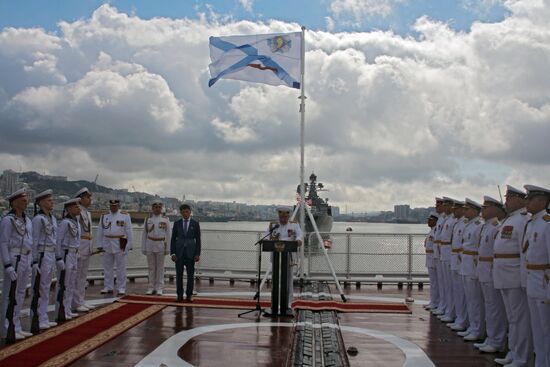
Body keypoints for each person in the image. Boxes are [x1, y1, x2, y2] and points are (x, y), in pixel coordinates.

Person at [493, 185, 532, 367]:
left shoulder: (524, 220)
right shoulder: (511, 220)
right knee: (512, 318)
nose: (505, 202)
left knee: (520, 319)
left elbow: (525, 253)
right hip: (504, 274)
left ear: (518, 200)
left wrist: (525, 279)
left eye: (509, 198)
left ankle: (521, 357)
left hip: (515, 275)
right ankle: (513, 351)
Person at [474, 196, 507, 354]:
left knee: (495, 307)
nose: (483, 210)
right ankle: (491, 337)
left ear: (495, 209)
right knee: (489, 305)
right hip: (483, 268)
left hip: (492, 269)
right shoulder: (486, 227)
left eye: (486, 207)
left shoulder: (495, 227)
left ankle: (497, 340)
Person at [0, 188, 34, 340]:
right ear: (14, 202)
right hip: (14, 258)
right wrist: (7, 265)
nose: (25, 201)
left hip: (26, 258)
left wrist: (32, 261)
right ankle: (6, 328)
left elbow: (30, 242)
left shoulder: (27, 220)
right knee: (9, 294)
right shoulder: (8, 220)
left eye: (26, 199)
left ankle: (16, 326)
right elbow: (3, 242)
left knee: (20, 294)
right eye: (22, 199)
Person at [523, 184, 550, 367]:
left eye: (530, 199)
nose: (527, 202)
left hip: (543, 281)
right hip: (532, 279)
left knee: (547, 330)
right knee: (537, 329)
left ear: (542, 201)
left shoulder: (547, 224)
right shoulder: (532, 223)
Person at [457, 198, 485, 342]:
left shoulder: (478, 225)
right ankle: (473, 327)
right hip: (466, 264)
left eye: (467, 209)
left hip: (473, 265)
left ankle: (477, 330)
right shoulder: (469, 225)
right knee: (470, 299)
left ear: (474, 210)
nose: (464, 211)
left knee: (475, 300)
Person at [31, 189, 59, 330]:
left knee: (47, 287)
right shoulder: (38, 219)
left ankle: (44, 317)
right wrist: (34, 261)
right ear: (41, 202)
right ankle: (37, 318)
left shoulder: (52, 218)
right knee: (40, 288)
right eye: (49, 200)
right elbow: (34, 241)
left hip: (50, 254)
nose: (52, 202)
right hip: (42, 255)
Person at [266, 206, 303, 312]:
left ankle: (288, 303)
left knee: (289, 279)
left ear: (288, 216)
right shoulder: (274, 225)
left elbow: (300, 235)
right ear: (278, 216)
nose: (282, 219)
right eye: (281, 217)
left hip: (289, 256)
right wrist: (268, 240)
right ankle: (274, 302)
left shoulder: (294, 225)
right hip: (276, 255)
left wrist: (298, 240)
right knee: (275, 278)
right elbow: (266, 235)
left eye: (285, 217)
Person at [97, 199, 133, 295]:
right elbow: (100, 231)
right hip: (107, 242)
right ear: (109, 206)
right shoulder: (104, 216)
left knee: (121, 267)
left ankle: (121, 287)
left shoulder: (125, 215)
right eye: (112, 206)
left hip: (120, 243)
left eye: (115, 205)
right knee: (107, 267)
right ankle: (108, 286)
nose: (113, 207)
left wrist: (129, 245)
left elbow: (129, 231)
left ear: (118, 205)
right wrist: (99, 245)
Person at [56, 198, 81, 320]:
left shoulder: (75, 222)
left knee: (71, 283)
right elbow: (59, 240)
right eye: (76, 207)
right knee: (64, 284)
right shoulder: (65, 223)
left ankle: (67, 309)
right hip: (66, 254)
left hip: (74, 254)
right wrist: (59, 257)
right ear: (69, 209)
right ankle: (61, 310)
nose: (79, 209)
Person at [170, 204, 201, 302]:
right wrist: (173, 253)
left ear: (190, 212)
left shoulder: (195, 224)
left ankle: (189, 295)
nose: (185, 214)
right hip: (179, 253)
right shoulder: (177, 223)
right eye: (183, 212)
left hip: (190, 253)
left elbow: (198, 240)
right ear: (181, 213)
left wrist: (197, 254)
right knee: (179, 275)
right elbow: (173, 239)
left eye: (187, 211)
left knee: (190, 275)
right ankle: (179, 295)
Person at [447, 200, 469, 332]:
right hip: (455, 257)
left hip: (463, 260)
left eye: (457, 209)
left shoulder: (466, 224)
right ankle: (458, 317)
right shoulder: (458, 223)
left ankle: (463, 321)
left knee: (463, 293)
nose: (454, 211)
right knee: (454, 289)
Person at [142, 200, 171, 295]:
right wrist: (143, 247)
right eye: (155, 207)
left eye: (159, 207)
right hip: (150, 244)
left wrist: (168, 248)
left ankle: (159, 287)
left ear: (161, 208)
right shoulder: (148, 219)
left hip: (161, 245)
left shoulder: (165, 219)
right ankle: (151, 287)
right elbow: (144, 234)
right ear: (152, 208)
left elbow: (168, 234)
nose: (157, 209)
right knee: (151, 267)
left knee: (160, 268)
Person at [72, 187, 95, 312]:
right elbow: (75, 232)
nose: (90, 199)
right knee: (77, 276)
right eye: (88, 197)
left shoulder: (87, 213)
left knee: (83, 276)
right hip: (80, 247)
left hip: (87, 247)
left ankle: (81, 300)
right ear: (81, 199)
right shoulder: (77, 212)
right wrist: (77, 249)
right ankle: (76, 302)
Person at [437, 197, 458, 323]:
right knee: (444, 284)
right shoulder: (445, 219)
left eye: (445, 205)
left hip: (451, 254)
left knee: (452, 287)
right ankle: (445, 308)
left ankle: (452, 313)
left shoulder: (454, 221)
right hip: (443, 253)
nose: (442, 207)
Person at [424, 212, 439, 310]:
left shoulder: (436, 231)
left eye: (430, 220)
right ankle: (433, 301)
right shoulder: (432, 231)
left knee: (435, 283)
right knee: (433, 282)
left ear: (435, 221)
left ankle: (436, 302)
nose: (428, 221)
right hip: (429, 257)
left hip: (433, 258)